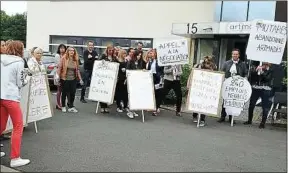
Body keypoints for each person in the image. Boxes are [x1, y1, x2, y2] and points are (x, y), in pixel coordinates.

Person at [0, 40, 31, 167]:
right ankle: (15, 158)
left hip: (1, 96)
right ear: (20, 49)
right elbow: (20, 82)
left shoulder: (1, 59)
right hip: (11, 97)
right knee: (18, 126)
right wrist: (28, 77)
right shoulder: (19, 62)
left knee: (1, 125)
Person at [218, 49, 247, 124]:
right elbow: (222, 72)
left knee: (233, 102)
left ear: (239, 55)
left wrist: (244, 81)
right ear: (232, 55)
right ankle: (223, 116)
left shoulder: (242, 64)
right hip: (228, 86)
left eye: (236, 54)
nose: (235, 55)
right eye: (234, 54)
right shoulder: (226, 63)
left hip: (236, 87)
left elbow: (245, 74)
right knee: (225, 101)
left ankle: (231, 118)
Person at [244, 62, 274, 129]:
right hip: (256, 88)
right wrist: (255, 71)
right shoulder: (257, 68)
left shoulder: (271, 71)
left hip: (265, 90)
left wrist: (262, 73)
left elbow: (268, 79)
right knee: (251, 104)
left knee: (265, 107)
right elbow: (251, 78)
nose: (265, 65)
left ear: (269, 64)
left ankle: (262, 123)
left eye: (266, 64)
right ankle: (249, 120)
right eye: (264, 64)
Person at [190, 56, 217, 126]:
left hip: (207, 88)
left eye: (208, 62)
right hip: (198, 87)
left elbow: (215, 76)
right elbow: (193, 74)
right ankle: (195, 116)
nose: (207, 63)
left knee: (204, 104)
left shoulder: (213, 67)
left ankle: (202, 119)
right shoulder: (199, 66)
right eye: (206, 61)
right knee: (197, 102)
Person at [57, 46, 83, 113]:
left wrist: (80, 79)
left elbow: (77, 70)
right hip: (65, 78)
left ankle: (71, 106)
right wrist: (58, 77)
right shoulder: (64, 58)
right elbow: (59, 68)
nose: (72, 52)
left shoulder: (75, 59)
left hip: (73, 79)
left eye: (73, 50)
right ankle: (63, 106)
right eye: (70, 50)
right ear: (67, 51)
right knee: (64, 93)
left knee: (73, 93)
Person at [99, 45, 117, 113]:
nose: (111, 52)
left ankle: (106, 106)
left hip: (111, 77)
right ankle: (102, 106)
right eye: (110, 50)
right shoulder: (103, 56)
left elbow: (117, 64)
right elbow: (99, 63)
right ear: (107, 50)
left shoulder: (114, 57)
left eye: (112, 50)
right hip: (104, 76)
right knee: (103, 91)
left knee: (108, 92)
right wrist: (102, 62)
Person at [146, 49, 164, 116]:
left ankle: (156, 108)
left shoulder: (160, 61)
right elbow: (149, 69)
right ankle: (152, 106)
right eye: (150, 53)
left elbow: (161, 69)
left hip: (159, 78)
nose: (151, 54)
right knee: (152, 92)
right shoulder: (150, 61)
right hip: (152, 77)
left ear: (156, 54)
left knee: (158, 93)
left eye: (152, 53)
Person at [115, 49, 132, 118]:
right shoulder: (117, 61)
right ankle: (119, 106)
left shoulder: (127, 61)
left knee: (125, 93)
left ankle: (125, 106)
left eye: (125, 54)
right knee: (119, 93)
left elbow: (129, 69)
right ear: (121, 54)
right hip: (119, 79)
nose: (125, 55)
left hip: (125, 79)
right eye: (123, 54)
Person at [54, 44, 67, 110]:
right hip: (58, 74)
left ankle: (62, 103)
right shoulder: (57, 55)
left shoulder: (66, 55)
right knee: (59, 90)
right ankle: (58, 104)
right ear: (59, 49)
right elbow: (58, 65)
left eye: (63, 48)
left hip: (65, 75)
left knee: (63, 90)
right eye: (61, 48)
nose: (62, 49)